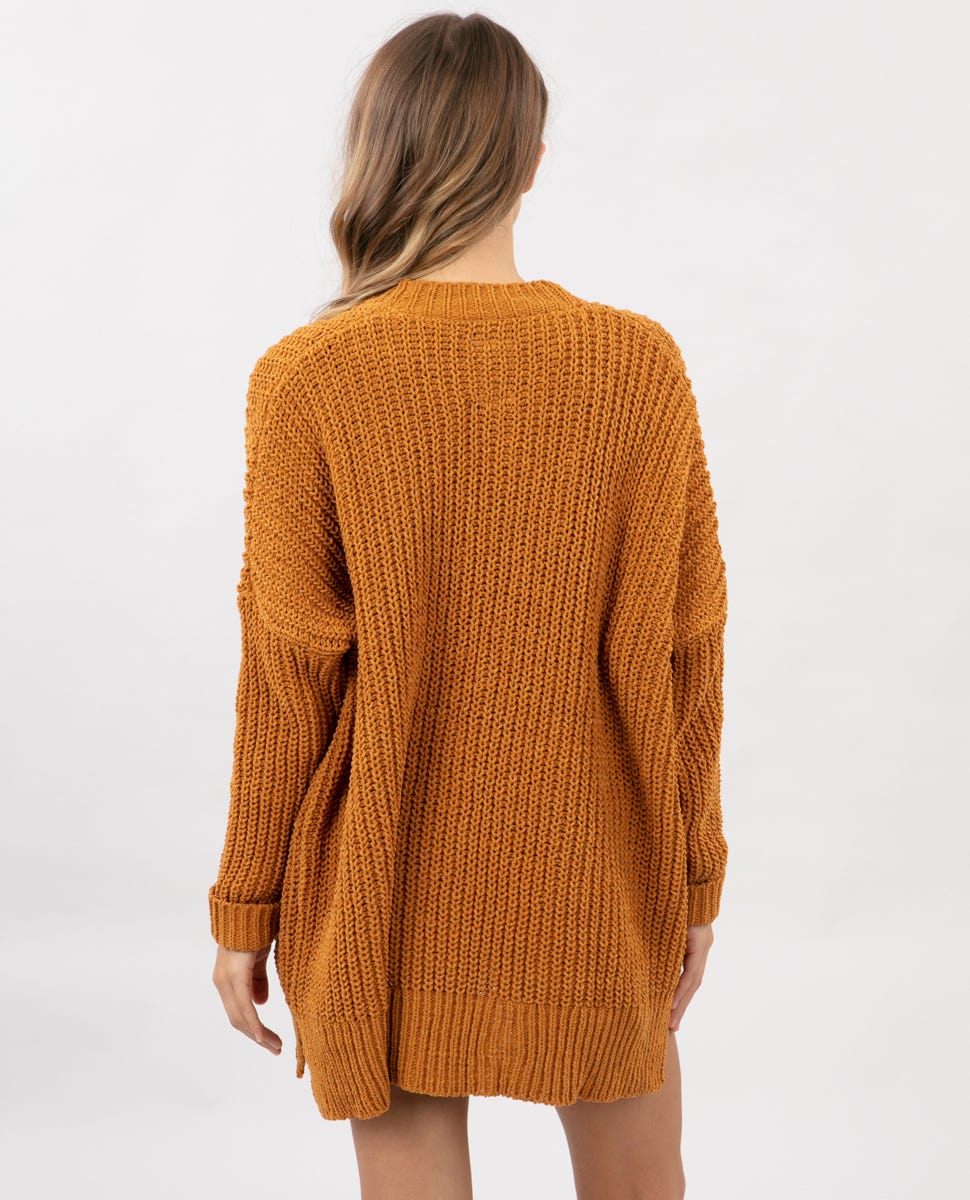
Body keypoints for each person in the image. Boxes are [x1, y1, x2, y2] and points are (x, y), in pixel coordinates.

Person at [208, 11, 729, 1200]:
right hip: (598, 868)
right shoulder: (635, 365)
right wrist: (693, 877)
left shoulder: (309, 377)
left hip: (381, 871)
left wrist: (245, 903)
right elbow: (686, 651)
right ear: (531, 161)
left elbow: (286, 677)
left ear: (376, 152)